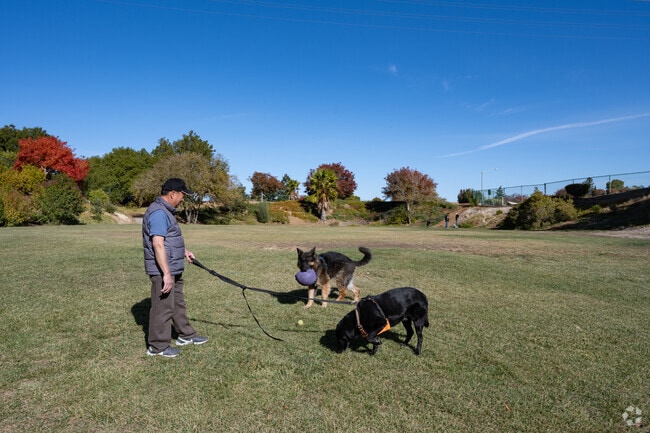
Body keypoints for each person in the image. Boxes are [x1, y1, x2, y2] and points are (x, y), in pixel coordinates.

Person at [142, 178, 207, 357]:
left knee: (177, 304)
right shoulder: (158, 213)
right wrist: (166, 274)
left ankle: (185, 335)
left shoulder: (166, 212)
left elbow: (167, 239)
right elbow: (157, 244)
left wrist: (184, 251)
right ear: (172, 194)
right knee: (163, 308)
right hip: (163, 270)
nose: (182, 199)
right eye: (182, 195)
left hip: (173, 266)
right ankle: (158, 347)